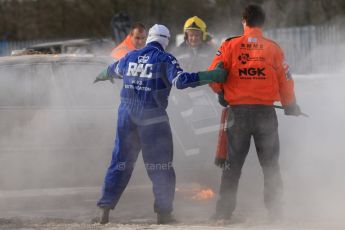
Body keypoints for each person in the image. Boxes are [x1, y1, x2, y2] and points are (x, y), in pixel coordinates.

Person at [94, 24, 228, 225]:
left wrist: (101, 76)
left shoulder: (130, 57)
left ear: (149, 38)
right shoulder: (165, 58)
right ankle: (164, 214)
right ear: (165, 41)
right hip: (153, 121)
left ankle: (105, 210)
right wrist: (211, 75)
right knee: (160, 167)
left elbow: (111, 70)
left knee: (120, 162)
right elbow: (181, 81)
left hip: (126, 119)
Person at [208, 4, 303, 222]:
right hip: (265, 115)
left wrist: (221, 92)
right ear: (262, 23)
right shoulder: (273, 48)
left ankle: (223, 212)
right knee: (270, 165)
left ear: (244, 21)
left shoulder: (230, 45)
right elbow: (285, 79)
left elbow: (214, 75)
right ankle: (276, 212)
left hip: (238, 114)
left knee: (232, 166)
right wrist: (290, 105)